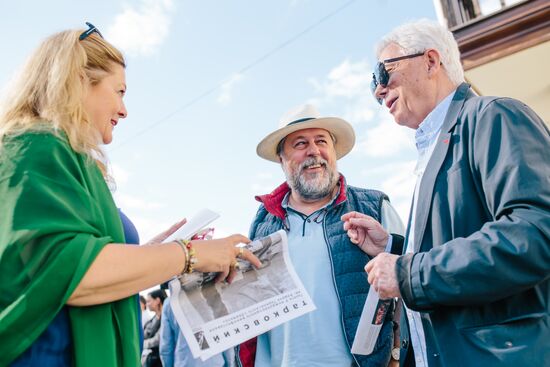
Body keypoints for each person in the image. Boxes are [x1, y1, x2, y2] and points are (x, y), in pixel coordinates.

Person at [0, 23, 260, 367]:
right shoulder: (34, 147)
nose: (124, 110)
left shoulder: (70, 160)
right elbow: (68, 274)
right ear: (78, 80)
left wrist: (154, 254)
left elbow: (81, 259)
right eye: (119, 91)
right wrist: (189, 254)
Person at [343, 19, 550, 366]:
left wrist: (407, 273)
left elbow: (537, 232)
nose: (378, 90)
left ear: (430, 61)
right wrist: (393, 247)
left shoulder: (493, 115)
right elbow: (460, 237)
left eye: (384, 72)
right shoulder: (437, 146)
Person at [236, 104, 405, 367]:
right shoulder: (262, 222)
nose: (313, 151)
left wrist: (396, 355)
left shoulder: (374, 206)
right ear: (282, 159)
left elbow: (412, 278)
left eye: (321, 141)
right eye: (300, 143)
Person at [160, 296, 230, 367]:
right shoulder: (211, 294)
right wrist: (229, 363)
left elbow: (166, 346)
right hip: (216, 362)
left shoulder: (170, 302)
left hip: (185, 363)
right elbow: (226, 337)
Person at [142, 289, 167, 367]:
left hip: (161, 360)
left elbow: (158, 339)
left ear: (157, 300)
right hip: (155, 359)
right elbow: (145, 333)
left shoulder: (166, 317)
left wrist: (139, 344)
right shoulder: (154, 319)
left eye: (149, 301)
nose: (147, 304)